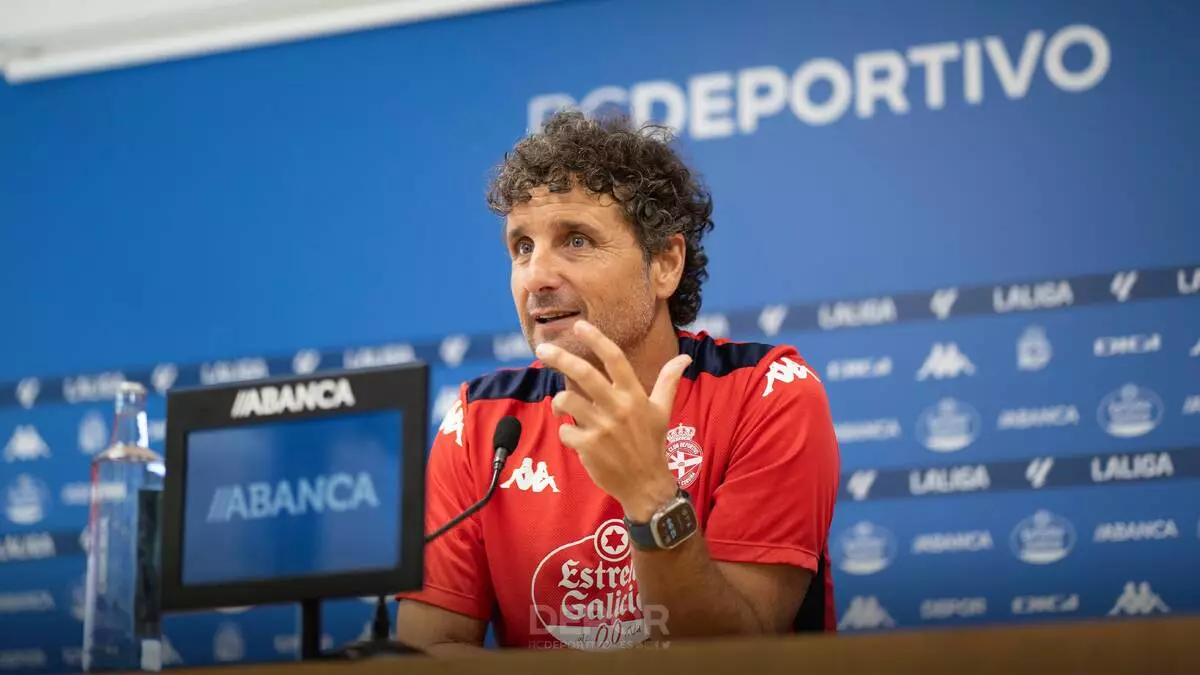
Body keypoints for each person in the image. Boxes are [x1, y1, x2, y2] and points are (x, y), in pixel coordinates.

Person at [395, 110, 841, 653]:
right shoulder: (480, 422)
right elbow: (426, 652)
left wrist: (650, 496)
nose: (536, 276)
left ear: (665, 265)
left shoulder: (768, 392)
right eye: (522, 247)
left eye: (577, 240)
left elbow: (739, 653)